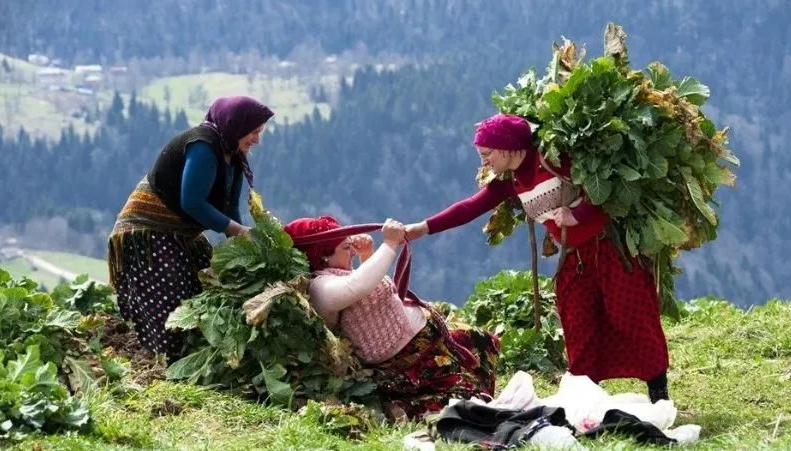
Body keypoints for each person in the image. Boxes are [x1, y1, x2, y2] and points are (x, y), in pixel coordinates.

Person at [404, 114, 671, 402]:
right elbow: (470, 207)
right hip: (574, 257)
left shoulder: (554, 158)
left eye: (487, 154)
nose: (484, 162)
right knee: (577, 321)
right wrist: (422, 228)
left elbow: (607, 184)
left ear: (506, 148)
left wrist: (577, 215)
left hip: (611, 247)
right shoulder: (511, 181)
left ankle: (659, 391)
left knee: (631, 316)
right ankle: (586, 399)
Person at [107, 96, 274, 361]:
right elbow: (193, 202)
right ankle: (162, 363)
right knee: (173, 299)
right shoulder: (203, 146)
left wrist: (245, 249)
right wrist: (238, 232)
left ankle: (182, 357)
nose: (257, 140)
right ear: (236, 125)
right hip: (148, 230)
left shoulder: (233, 155)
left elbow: (229, 210)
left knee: (205, 286)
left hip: (181, 231)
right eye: (254, 132)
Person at [283, 216, 500, 420]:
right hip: (408, 361)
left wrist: (367, 255)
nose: (351, 252)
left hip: (428, 342)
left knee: (483, 342)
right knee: (468, 399)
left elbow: (371, 293)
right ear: (323, 255)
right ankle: (402, 410)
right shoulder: (320, 287)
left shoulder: (337, 275)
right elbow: (357, 287)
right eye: (345, 247)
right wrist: (389, 245)